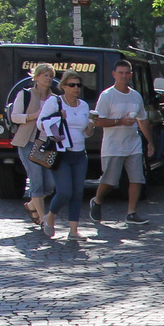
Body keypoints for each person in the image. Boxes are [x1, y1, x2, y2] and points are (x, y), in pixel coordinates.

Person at [88, 60, 157, 225]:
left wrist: (150, 142)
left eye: (127, 73)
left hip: (133, 144)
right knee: (110, 180)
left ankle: (131, 212)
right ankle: (97, 201)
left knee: (137, 179)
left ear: (131, 75)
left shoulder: (136, 96)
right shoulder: (107, 96)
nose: (124, 76)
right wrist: (120, 121)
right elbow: (99, 121)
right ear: (114, 74)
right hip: (113, 145)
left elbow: (142, 120)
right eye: (121, 73)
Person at [37, 74, 93, 241]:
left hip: (80, 153)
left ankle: (73, 230)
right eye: (71, 84)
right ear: (63, 86)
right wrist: (57, 117)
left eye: (78, 85)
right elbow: (40, 123)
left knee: (77, 193)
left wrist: (91, 126)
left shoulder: (83, 105)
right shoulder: (54, 102)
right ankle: (50, 216)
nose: (76, 88)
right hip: (61, 153)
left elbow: (86, 133)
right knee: (64, 192)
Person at [8, 63, 58, 225]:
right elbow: (15, 117)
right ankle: (43, 218)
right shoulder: (26, 94)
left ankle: (31, 205)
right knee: (36, 179)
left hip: (46, 143)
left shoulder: (54, 98)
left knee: (50, 184)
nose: (49, 78)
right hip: (27, 141)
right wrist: (34, 116)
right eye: (45, 75)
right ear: (36, 77)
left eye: (51, 76)